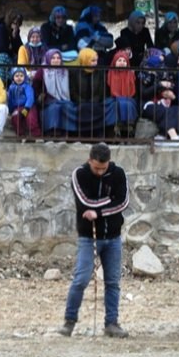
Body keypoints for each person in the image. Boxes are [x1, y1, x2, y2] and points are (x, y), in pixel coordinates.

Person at [59, 142, 130, 338]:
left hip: (113, 236)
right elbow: (84, 202)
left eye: (103, 168)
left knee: (113, 282)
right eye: (96, 168)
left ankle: (111, 323)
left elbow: (123, 201)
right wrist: (109, 200)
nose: (99, 172)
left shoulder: (119, 174)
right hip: (88, 237)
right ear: (90, 160)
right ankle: (69, 321)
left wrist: (97, 211)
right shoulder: (79, 174)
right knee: (81, 279)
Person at [139, 52, 179, 142]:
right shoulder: (144, 76)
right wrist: (159, 85)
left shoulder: (165, 75)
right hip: (148, 104)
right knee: (162, 110)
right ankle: (174, 137)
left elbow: (174, 93)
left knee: (175, 110)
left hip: (164, 102)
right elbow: (144, 93)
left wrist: (172, 95)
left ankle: (163, 135)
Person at [41, 48, 76, 136]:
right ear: (48, 59)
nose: (56, 60)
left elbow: (72, 88)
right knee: (55, 107)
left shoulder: (65, 71)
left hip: (64, 99)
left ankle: (67, 133)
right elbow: (37, 88)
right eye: (53, 58)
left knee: (68, 106)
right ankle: (52, 132)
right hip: (48, 100)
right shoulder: (42, 71)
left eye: (58, 58)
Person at [106, 50, 140, 137]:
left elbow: (134, 92)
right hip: (113, 99)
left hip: (129, 98)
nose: (122, 63)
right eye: (119, 60)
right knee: (117, 103)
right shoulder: (109, 74)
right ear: (115, 62)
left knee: (128, 103)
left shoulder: (131, 75)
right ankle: (116, 130)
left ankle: (129, 129)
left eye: (124, 61)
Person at [7, 67, 40, 138]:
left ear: (25, 77)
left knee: (30, 117)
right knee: (15, 117)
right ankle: (21, 135)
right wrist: (10, 110)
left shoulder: (27, 86)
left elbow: (30, 98)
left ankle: (36, 135)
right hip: (17, 108)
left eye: (21, 76)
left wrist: (27, 107)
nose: (19, 78)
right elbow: (10, 100)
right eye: (17, 76)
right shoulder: (11, 88)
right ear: (13, 77)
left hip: (28, 107)